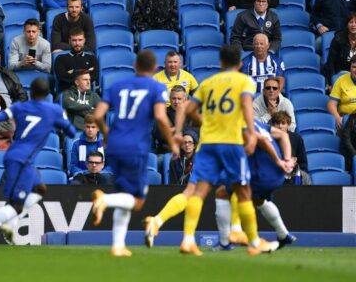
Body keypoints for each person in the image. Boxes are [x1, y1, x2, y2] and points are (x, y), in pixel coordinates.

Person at [167, 46, 279, 255]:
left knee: (198, 191)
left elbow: (187, 109)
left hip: (208, 143)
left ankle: (188, 239)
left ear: (220, 63)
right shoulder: (244, 81)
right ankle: (254, 243)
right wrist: (252, 134)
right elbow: (246, 106)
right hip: (231, 143)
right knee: (244, 191)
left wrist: (188, 128)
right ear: (239, 64)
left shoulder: (208, 83)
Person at [0, 78, 77, 250]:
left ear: (30, 93)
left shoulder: (19, 107)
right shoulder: (53, 110)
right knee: (16, 204)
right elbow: (71, 132)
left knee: (40, 189)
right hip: (22, 160)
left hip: (16, 155)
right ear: (48, 94)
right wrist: (59, 120)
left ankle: (10, 225)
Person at [89, 50, 175, 256]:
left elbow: (98, 115)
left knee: (124, 193)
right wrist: (172, 143)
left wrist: (107, 133)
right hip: (136, 148)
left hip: (115, 145)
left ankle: (118, 245)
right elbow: (161, 118)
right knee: (137, 201)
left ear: (135, 66)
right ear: (155, 69)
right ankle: (104, 201)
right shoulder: (157, 87)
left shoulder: (117, 86)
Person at [53, 28, 99, 94]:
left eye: (80, 40)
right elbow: (62, 77)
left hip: (87, 94)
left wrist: (72, 73)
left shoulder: (92, 58)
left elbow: (94, 76)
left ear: (84, 40)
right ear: (69, 41)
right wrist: (85, 76)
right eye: (74, 40)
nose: (77, 43)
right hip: (68, 93)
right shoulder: (60, 59)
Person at [328, 56, 356, 160]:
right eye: (354, 67)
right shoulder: (341, 80)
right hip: (347, 119)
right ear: (350, 68)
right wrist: (337, 117)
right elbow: (331, 104)